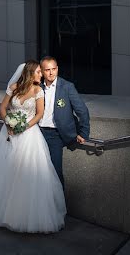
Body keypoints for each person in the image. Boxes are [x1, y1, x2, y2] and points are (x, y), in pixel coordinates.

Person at [0, 60, 66, 233]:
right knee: (6, 172)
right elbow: (3, 108)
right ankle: (3, 214)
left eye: (41, 71)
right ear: (29, 73)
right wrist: (8, 123)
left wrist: (23, 127)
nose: (41, 75)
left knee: (26, 174)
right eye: (38, 72)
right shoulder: (14, 87)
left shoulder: (38, 91)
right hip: (8, 134)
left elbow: (39, 114)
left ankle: (21, 216)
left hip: (29, 135)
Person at [39, 56, 90, 188]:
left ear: (57, 69)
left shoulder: (67, 87)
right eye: (47, 70)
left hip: (55, 135)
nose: (51, 73)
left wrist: (83, 133)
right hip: (37, 133)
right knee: (36, 171)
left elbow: (82, 111)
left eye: (54, 69)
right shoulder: (37, 87)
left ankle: (59, 205)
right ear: (42, 71)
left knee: (55, 172)